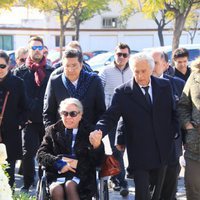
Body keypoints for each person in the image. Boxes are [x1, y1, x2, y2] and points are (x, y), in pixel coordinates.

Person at [91, 52, 179, 200]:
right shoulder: (123, 92)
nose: (139, 75)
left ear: (151, 70)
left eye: (143, 71)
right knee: (142, 194)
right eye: (136, 71)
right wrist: (99, 130)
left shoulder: (165, 86)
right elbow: (110, 117)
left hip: (163, 149)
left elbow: (173, 112)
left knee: (159, 193)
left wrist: (175, 132)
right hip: (140, 151)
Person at [37, 98, 105, 200]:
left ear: (80, 115)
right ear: (60, 114)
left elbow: (98, 161)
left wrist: (96, 146)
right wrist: (58, 163)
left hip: (82, 174)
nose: (68, 117)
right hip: (57, 172)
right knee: (56, 189)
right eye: (65, 113)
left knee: (70, 185)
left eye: (73, 114)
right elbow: (41, 154)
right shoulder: (52, 131)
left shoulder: (90, 132)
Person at [13, 36, 53, 192]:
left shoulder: (51, 71)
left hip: (46, 121)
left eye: (39, 48)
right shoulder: (20, 72)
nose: (37, 51)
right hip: (28, 121)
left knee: (47, 153)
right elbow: (15, 97)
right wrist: (22, 118)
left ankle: (47, 183)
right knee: (28, 154)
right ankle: (28, 183)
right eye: (33, 48)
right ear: (29, 50)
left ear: (43, 49)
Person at [98, 42, 132, 196]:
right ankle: (120, 180)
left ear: (128, 56)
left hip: (131, 118)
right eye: (119, 54)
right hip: (113, 118)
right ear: (114, 54)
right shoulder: (105, 71)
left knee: (127, 150)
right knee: (116, 148)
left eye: (125, 55)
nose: (121, 57)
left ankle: (116, 176)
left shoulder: (133, 71)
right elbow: (98, 92)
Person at [151, 50, 185, 200]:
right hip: (149, 147)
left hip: (173, 144)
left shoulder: (177, 84)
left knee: (170, 188)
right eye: (150, 63)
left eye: (156, 63)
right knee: (153, 189)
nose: (152, 66)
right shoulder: (140, 84)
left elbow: (184, 112)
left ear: (165, 65)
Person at [43, 48, 106, 128]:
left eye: (74, 65)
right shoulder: (55, 81)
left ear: (81, 65)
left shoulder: (94, 81)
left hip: (88, 134)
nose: (70, 69)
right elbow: (48, 112)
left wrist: (96, 131)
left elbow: (101, 111)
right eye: (67, 66)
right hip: (62, 135)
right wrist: (52, 134)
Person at [0, 51, 28, 187]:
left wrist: (19, 124)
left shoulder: (17, 83)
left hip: (10, 132)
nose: (0, 70)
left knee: (9, 167)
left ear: (8, 65)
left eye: (2, 66)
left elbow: (25, 107)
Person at [178, 57, 200, 200]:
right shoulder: (195, 75)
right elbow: (183, 105)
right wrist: (188, 125)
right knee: (193, 188)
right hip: (195, 144)